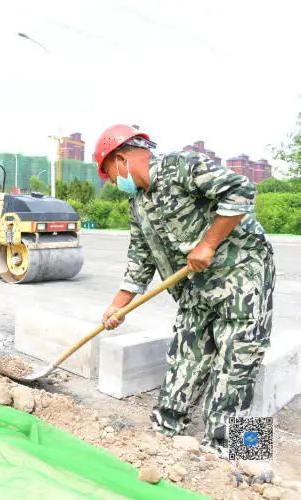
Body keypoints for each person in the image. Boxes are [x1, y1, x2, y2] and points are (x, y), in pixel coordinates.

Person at [94, 124, 275, 458]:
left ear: (120, 159)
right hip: (194, 286)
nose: (112, 181)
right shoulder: (138, 205)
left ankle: (240, 455)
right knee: (185, 356)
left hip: (242, 275)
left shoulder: (182, 166)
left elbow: (242, 190)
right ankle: (165, 434)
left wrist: (208, 244)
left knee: (239, 360)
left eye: (109, 173)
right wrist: (116, 306)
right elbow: (140, 258)